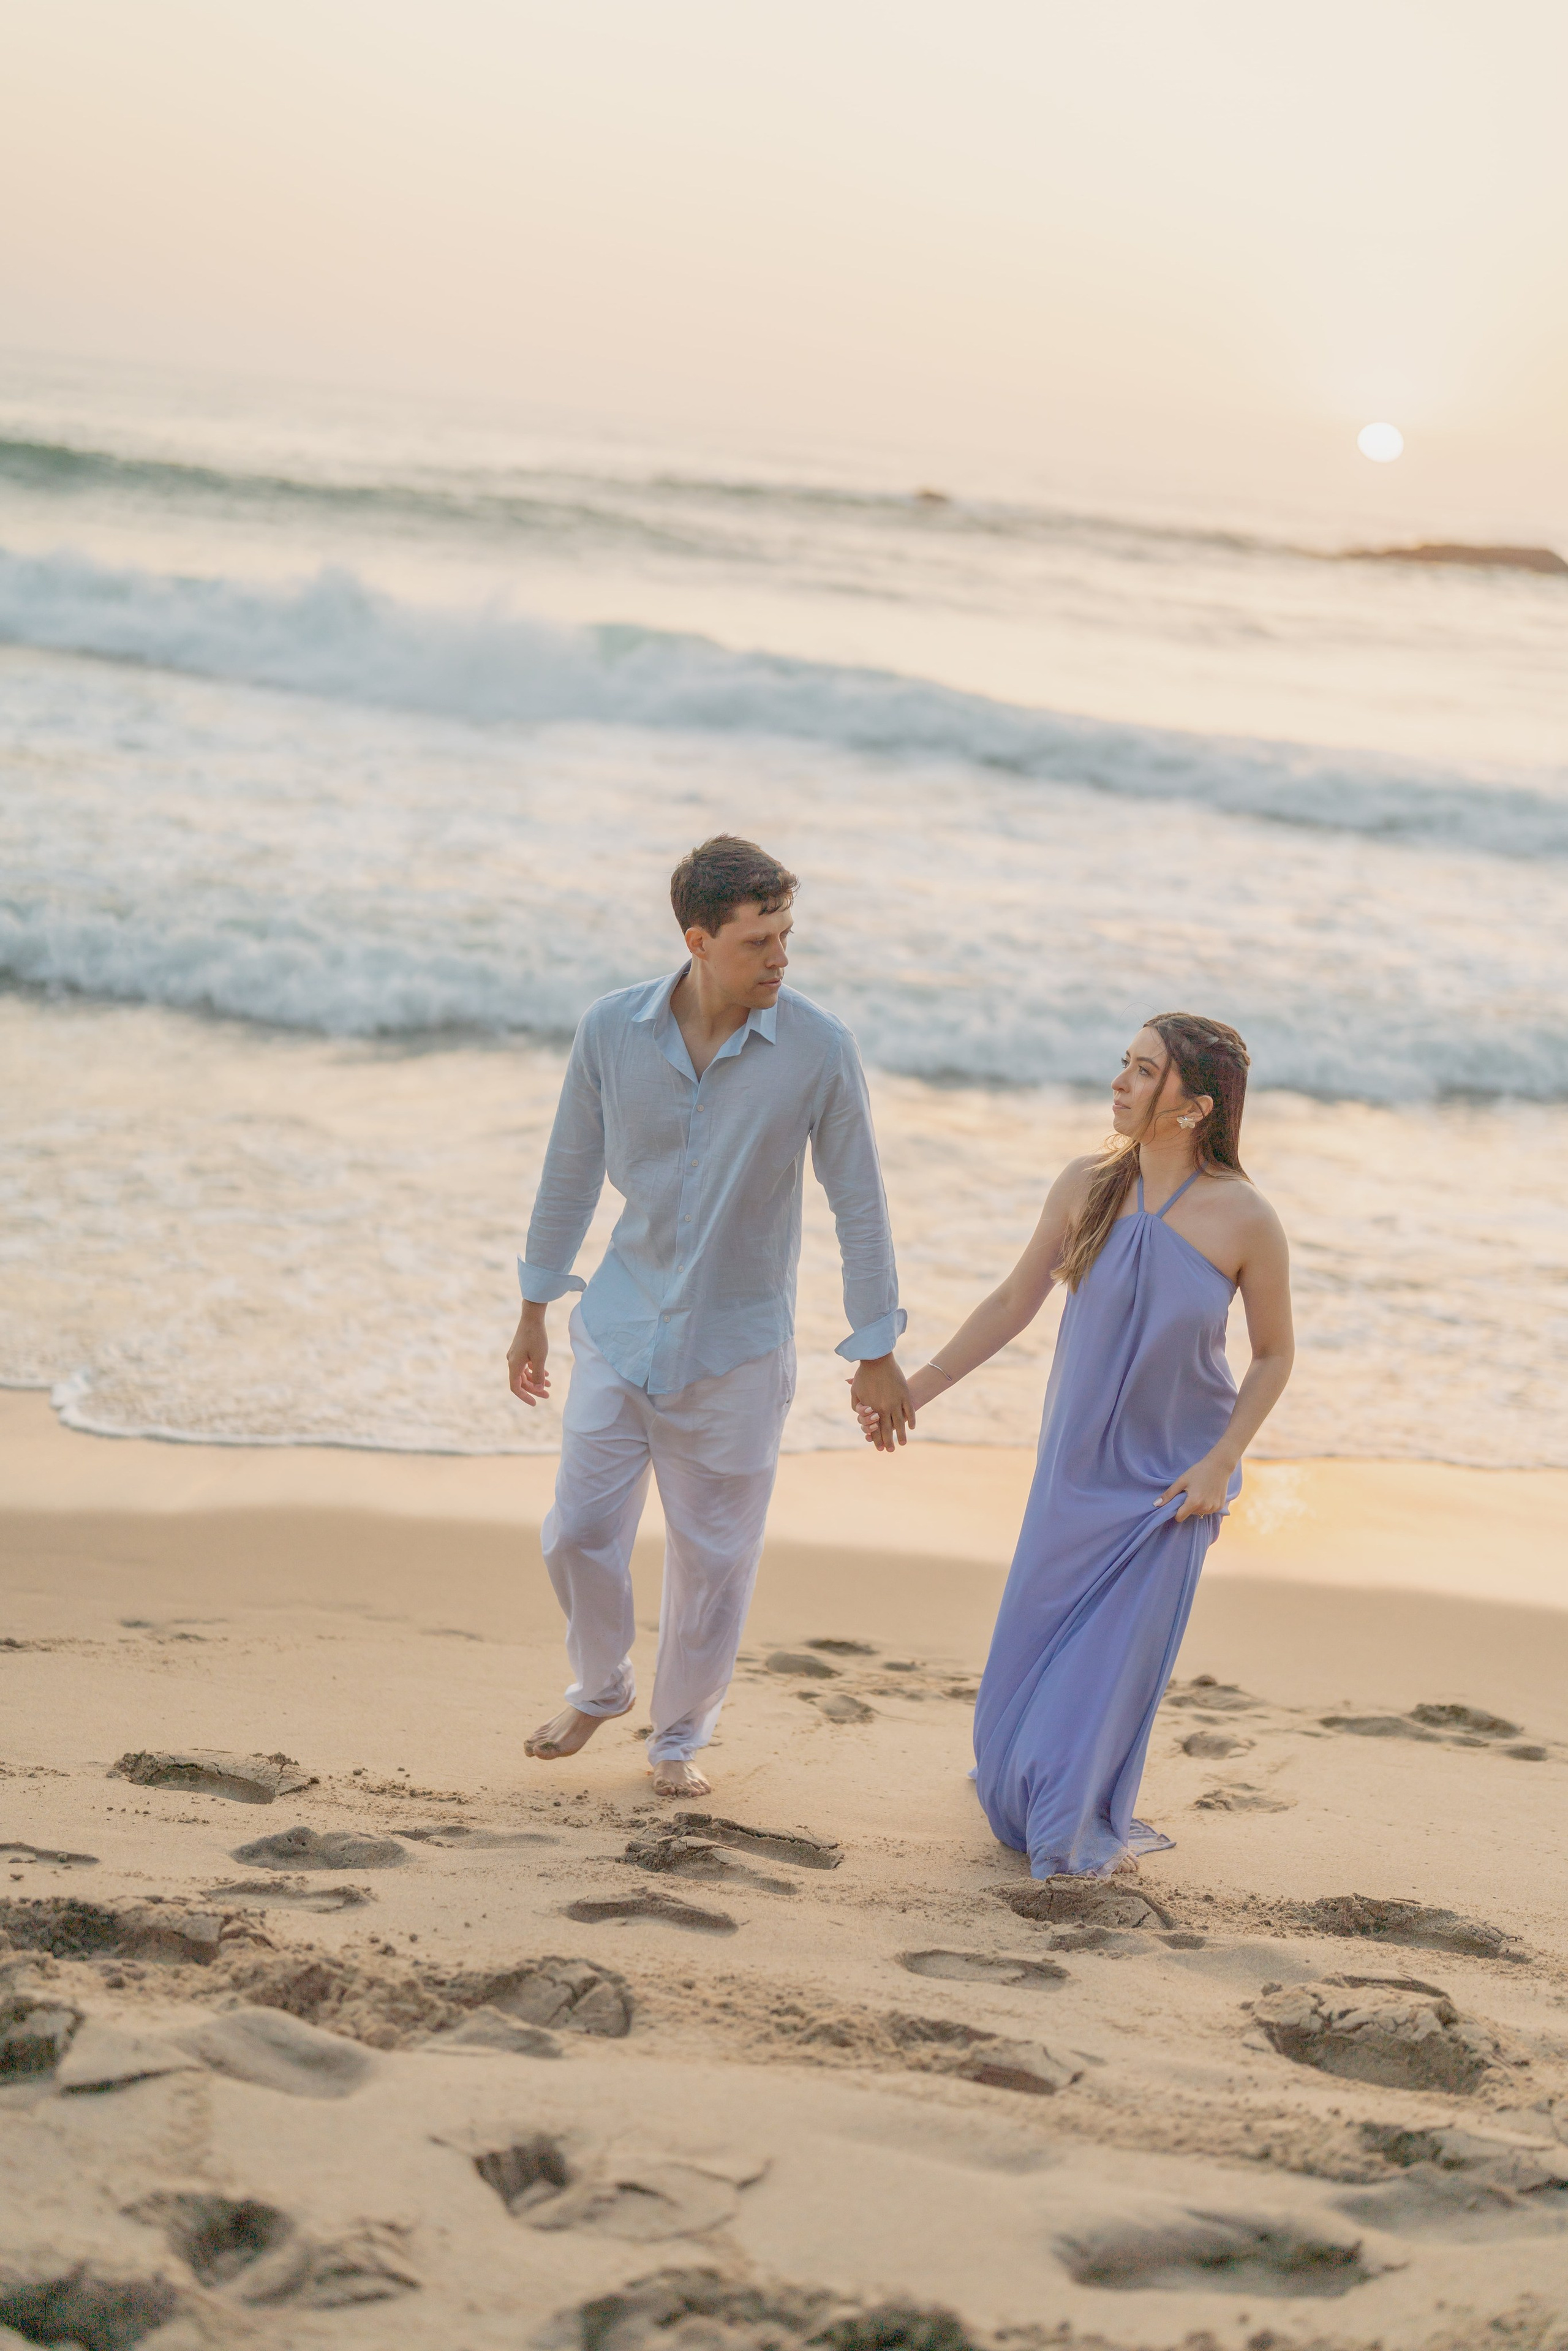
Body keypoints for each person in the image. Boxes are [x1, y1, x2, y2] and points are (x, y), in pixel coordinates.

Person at [507, 835, 914, 1798]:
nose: (781, 959)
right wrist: (533, 1306)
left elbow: (860, 1201)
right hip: (619, 1323)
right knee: (574, 1532)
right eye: (759, 941)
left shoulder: (819, 1049)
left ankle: (677, 1738)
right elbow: (569, 1171)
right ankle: (602, 1686)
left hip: (736, 1349)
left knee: (715, 1561)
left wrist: (876, 1348)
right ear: (698, 939)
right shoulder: (611, 1030)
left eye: (787, 935)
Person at [860, 1013, 1292, 1878]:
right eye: (1124, 1065)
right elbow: (1016, 1298)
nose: (1120, 1084)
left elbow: (1275, 1354)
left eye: (1143, 1071)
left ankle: (1070, 1837)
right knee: (1014, 1710)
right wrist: (919, 1386)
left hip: (1172, 1486)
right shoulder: (1088, 1184)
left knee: (1094, 1694)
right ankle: (1041, 1802)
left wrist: (1219, 1462)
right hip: (1074, 1473)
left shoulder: (1246, 1217)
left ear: (1194, 1104)